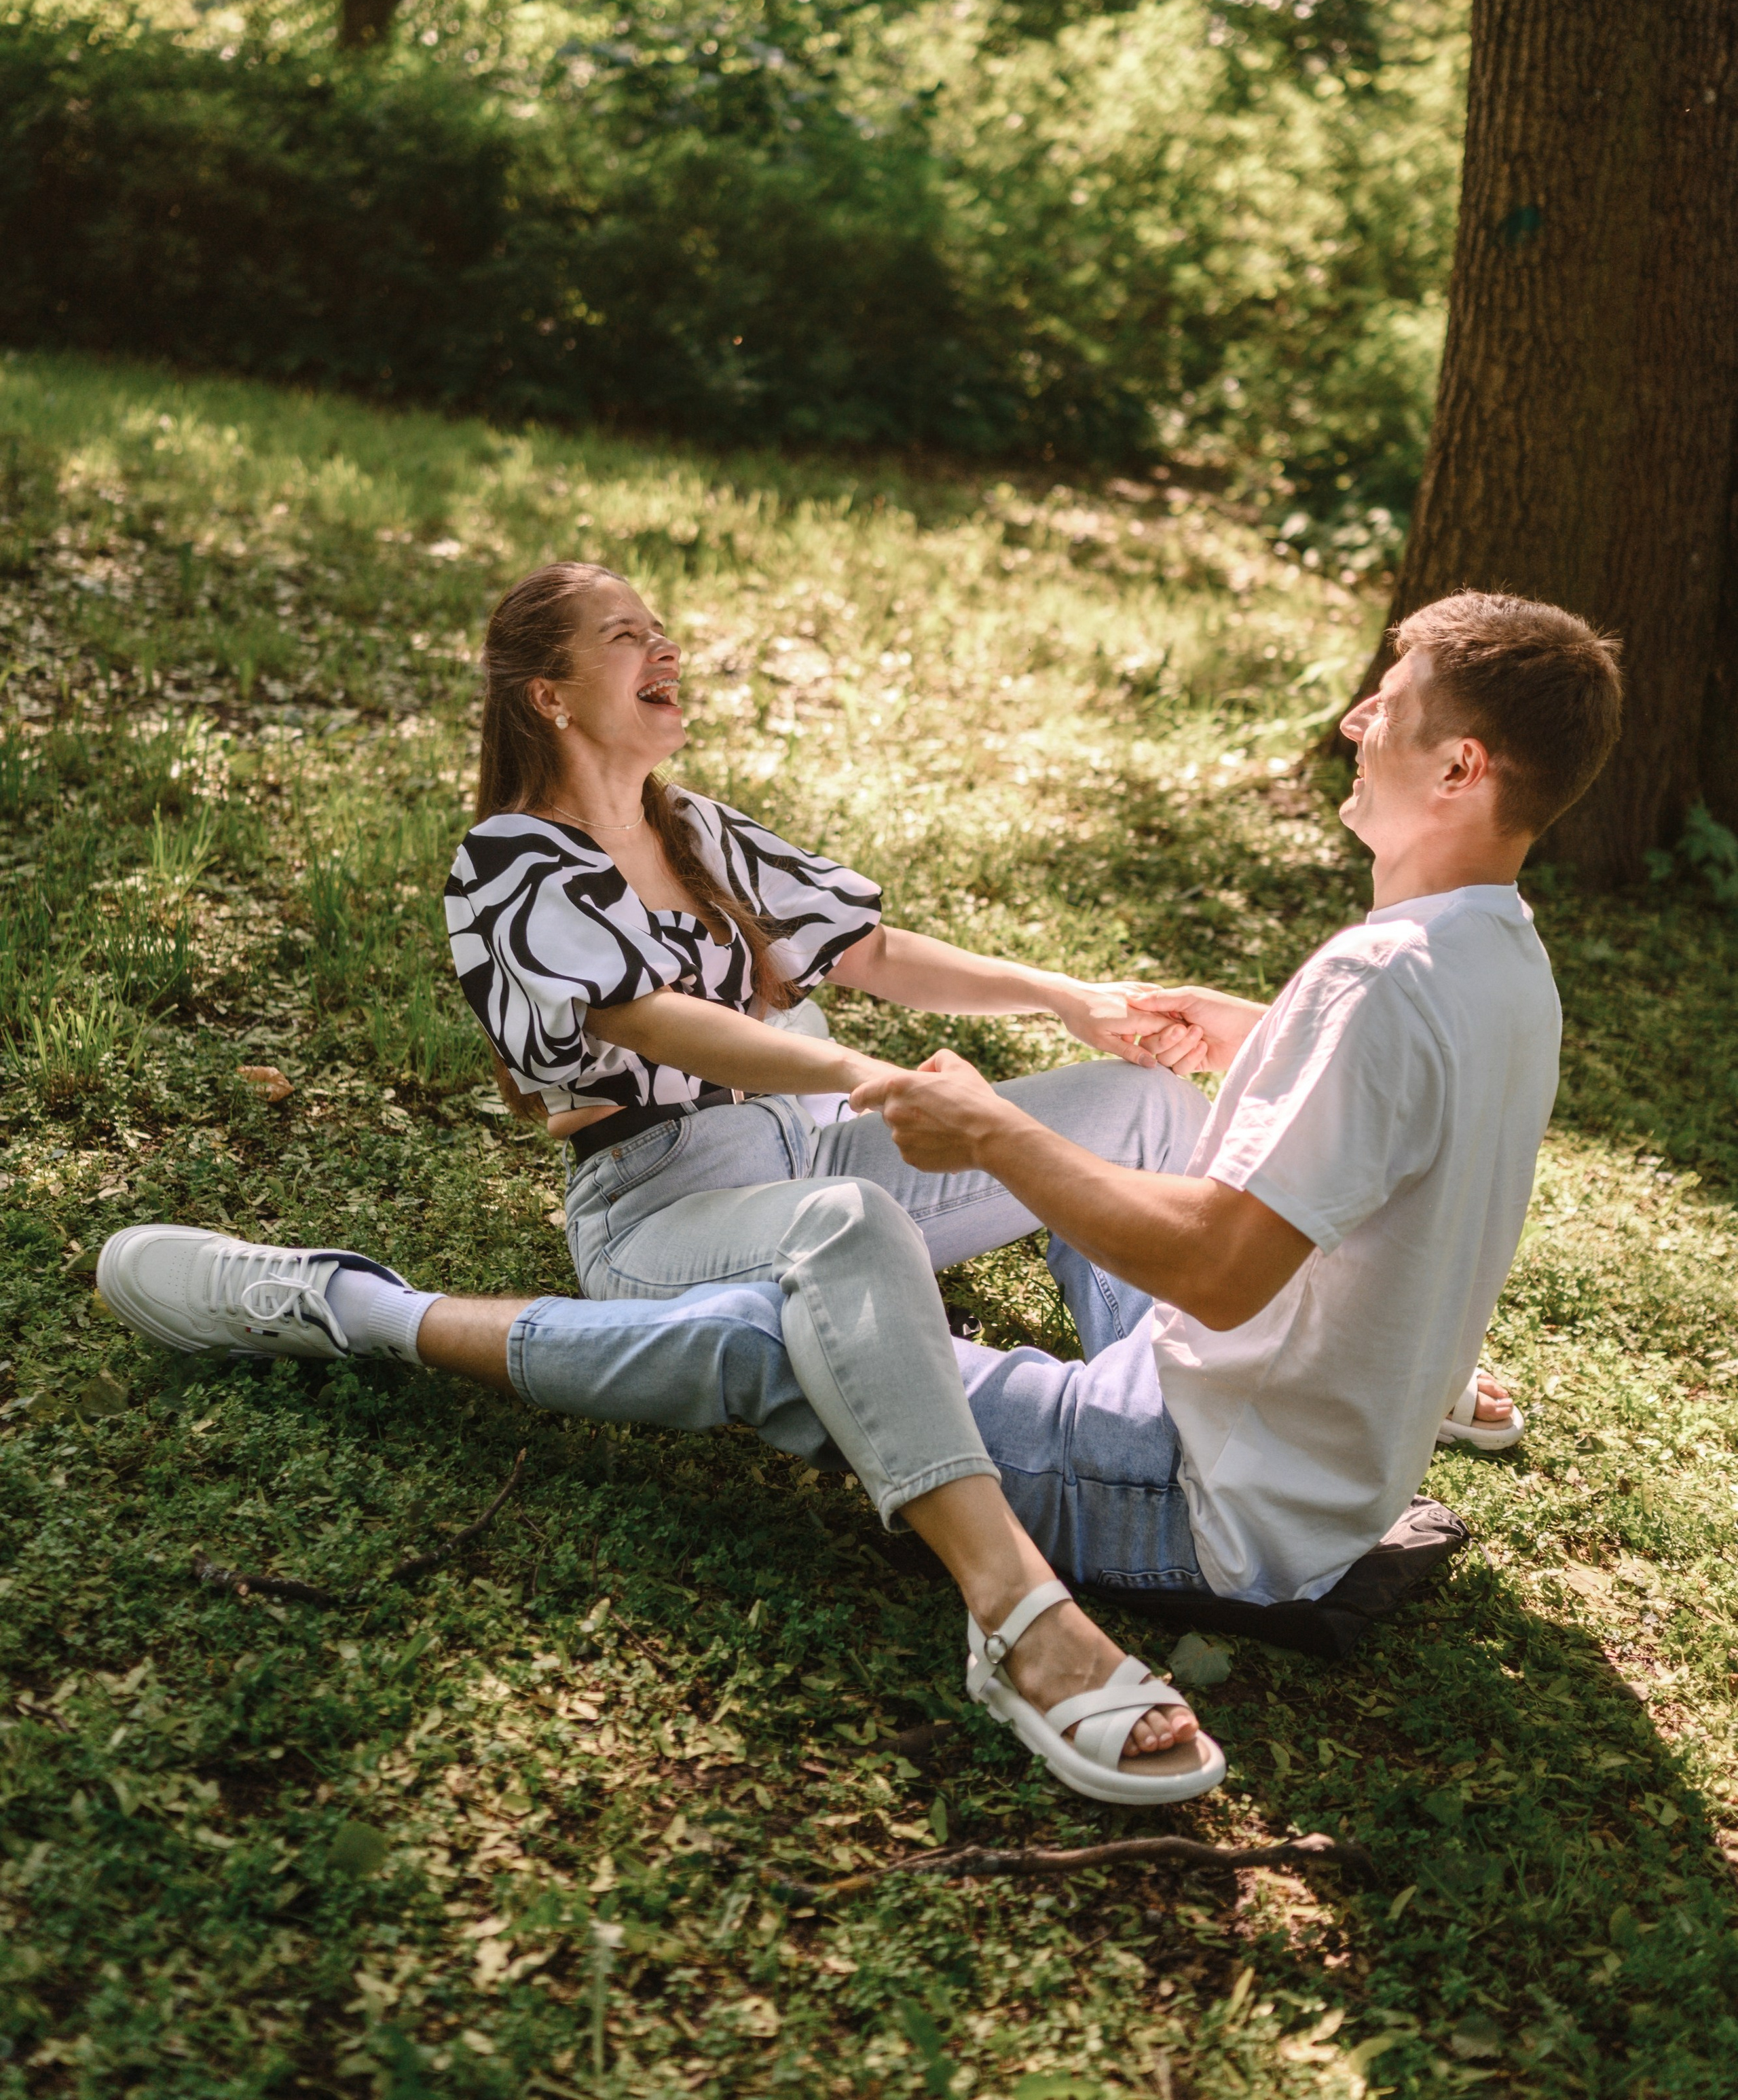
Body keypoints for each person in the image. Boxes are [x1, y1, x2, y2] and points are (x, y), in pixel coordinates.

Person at [99, 591, 1621, 1752]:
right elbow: (646, 1017)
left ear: (1460, 762)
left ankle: (363, 1311)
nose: (1357, 719)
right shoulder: (1499, 964)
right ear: (550, 691)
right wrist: (908, 1075)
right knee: (855, 1241)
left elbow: (877, 961)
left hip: (1205, 1483)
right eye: (626, 633)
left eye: (1387, 707)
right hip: (690, 1201)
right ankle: (337, 1307)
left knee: (824, 1305)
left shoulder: (1372, 979)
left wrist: (1016, 1091)